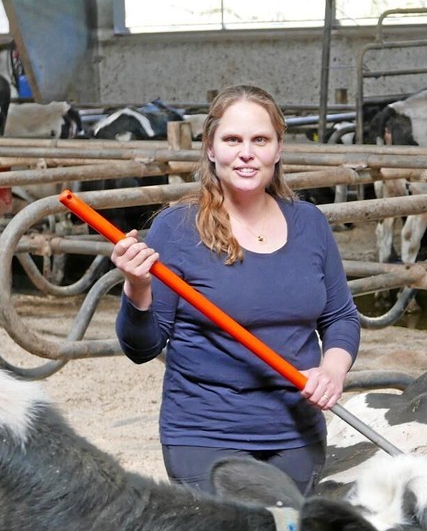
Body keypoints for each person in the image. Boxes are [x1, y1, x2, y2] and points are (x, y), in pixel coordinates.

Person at [110, 84, 360, 495]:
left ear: (278, 149)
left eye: (260, 140)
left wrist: (333, 370)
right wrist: (138, 288)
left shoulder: (310, 224)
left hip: (296, 433)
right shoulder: (177, 229)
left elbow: (341, 317)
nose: (247, 153)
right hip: (205, 436)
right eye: (232, 140)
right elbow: (142, 348)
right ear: (211, 148)